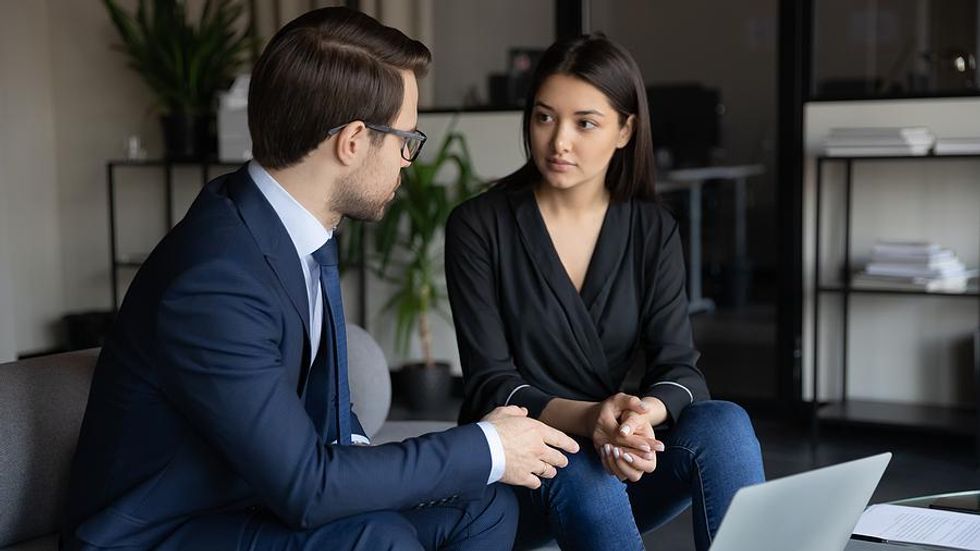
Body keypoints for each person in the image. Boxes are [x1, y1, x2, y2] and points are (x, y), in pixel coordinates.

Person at [60, 8, 580, 551]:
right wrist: (488, 446)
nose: (408, 161)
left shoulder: (293, 228)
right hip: (161, 533)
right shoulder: (215, 279)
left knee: (483, 506)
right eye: (407, 139)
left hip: (250, 498)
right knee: (378, 538)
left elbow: (328, 414)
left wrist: (469, 459)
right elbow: (307, 489)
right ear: (353, 141)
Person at [445, 34, 765, 551]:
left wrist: (636, 422)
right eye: (544, 117)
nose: (559, 141)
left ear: (625, 130)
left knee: (724, 424)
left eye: (584, 123)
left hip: (615, 459)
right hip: (518, 479)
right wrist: (592, 421)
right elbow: (490, 384)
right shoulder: (479, 226)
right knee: (576, 465)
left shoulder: (651, 229)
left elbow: (680, 371)